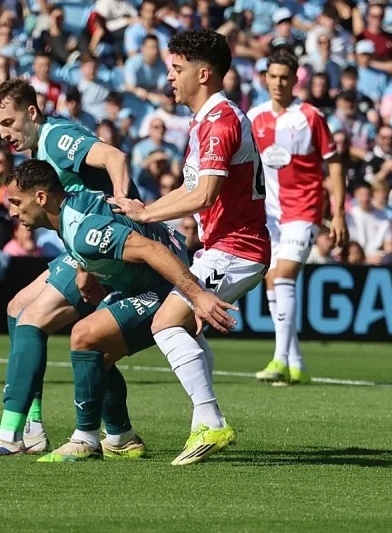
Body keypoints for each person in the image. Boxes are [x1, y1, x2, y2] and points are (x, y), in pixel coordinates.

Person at [0, 159, 236, 462]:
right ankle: (121, 437)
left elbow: (152, 250)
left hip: (167, 283)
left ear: (41, 198)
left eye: (17, 202)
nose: (13, 210)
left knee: (84, 336)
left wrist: (197, 297)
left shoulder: (83, 230)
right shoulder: (73, 205)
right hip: (147, 280)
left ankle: (85, 438)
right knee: (98, 357)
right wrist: (85, 270)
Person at [108, 30, 270, 465]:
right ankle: (207, 421)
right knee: (187, 326)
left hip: (239, 247)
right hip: (223, 246)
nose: (169, 77)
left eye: (177, 69)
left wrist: (144, 216)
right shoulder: (207, 121)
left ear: (204, 73)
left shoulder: (221, 123)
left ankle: (211, 422)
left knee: (166, 323)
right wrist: (146, 209)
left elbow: (203, 196)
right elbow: (190, 187)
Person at [0, 79, 135, 456]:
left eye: (8, 122)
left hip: (103, 247)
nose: (3, 133)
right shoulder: (40, 146)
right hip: (83, 249)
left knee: (33, 319)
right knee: (17, 308)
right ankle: (100, 431)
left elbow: (116, 157)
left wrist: (121, 206)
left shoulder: (56, 137)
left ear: (32, 112)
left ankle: (9, 437)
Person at [247, 49, 349, 385]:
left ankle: (278, 359)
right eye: (273, 76)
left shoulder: (310, 116)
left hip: (304, 209)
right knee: (271, 278)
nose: (278, 82)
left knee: (284, 274)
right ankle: (296, 363)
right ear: (266, 78)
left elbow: (334, 163)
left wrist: (337, 213)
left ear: (295, 80)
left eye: (284, 77)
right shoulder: (254, 116)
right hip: (269, 215)